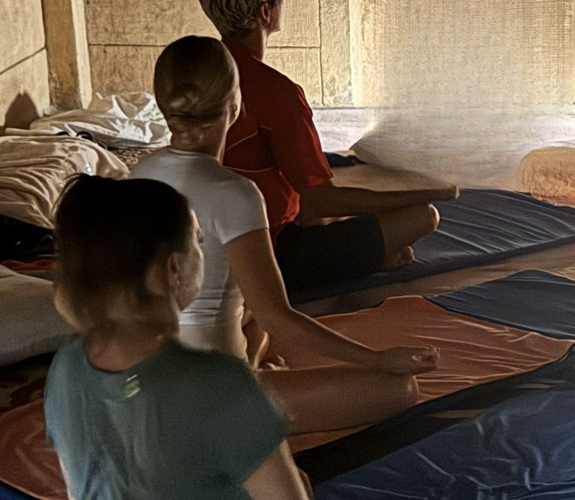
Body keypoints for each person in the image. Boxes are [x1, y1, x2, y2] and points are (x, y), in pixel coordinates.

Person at [45, 175, 462, 500]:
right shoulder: (218, 381)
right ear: (172, 269)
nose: (202, 254)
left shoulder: (66, 368)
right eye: (196, 242)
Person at [134, 37, 437, 436]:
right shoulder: (236, 194)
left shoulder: (137, 176)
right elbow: (282, 319)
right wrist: (380, 360)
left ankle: (254, 371)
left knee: (249, 314)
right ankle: (250, 397)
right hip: (213, 398)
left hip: (147, 388)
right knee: (398, 389)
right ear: (235, 104)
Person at [193, 0, 450, 303]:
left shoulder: (202, 74)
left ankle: (377, 257)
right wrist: (429, 193)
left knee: (328, 219)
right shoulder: (275, 91)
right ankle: (376, 259)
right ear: (266, 11)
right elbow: (318, 201)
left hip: (206, 247)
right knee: (422, 217)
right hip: (273, 257)